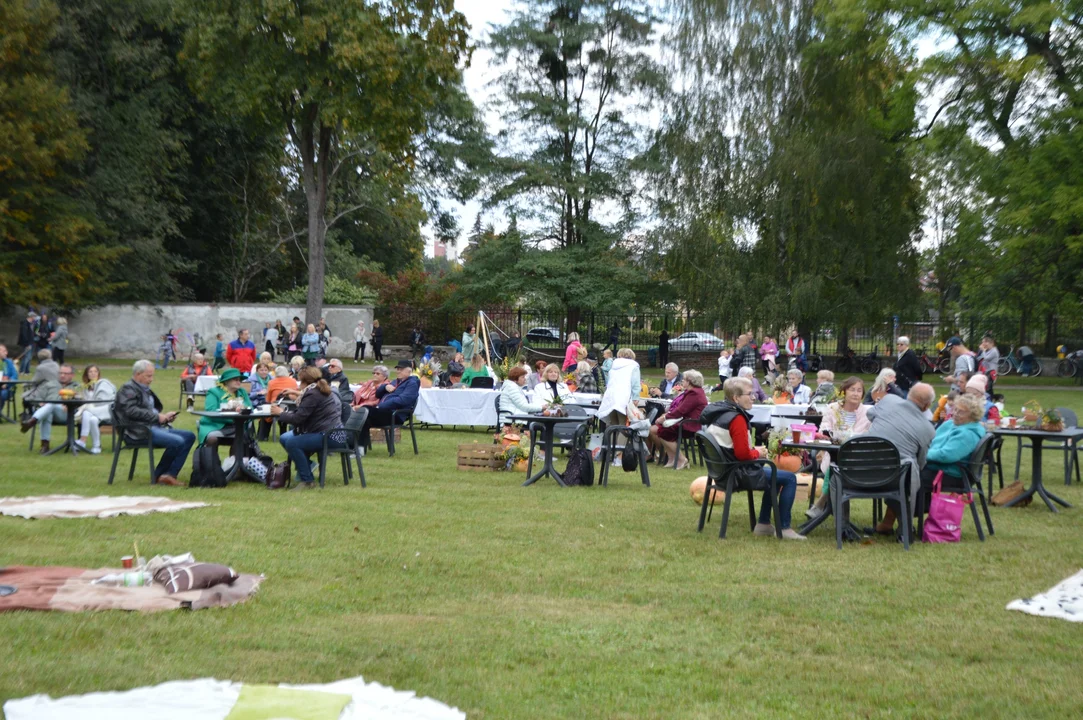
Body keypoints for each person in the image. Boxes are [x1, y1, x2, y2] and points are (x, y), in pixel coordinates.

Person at [704, 377, 806, 540]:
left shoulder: (719, 412)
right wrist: (758, 453)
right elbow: (743, 455)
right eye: (749, 394)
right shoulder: (736, 419)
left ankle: (764, 524)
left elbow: (732, 447)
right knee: (789, 478)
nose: (754, 397)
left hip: (721, 472)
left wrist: (753, 450)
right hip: (738, 474)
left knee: (774, 475)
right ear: (736, 398)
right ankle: (785, 527)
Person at [864, 383, 937, 536]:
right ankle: (905, 529)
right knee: (911, 473)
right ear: (927, 406)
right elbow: (921, 461)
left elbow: (870, 414)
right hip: (897, 479)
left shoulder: (889, 400)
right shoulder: (928, 429)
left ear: (908, 394)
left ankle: (843, 525)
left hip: (860, 473)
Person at [114, 360, 193, 486]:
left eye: (152, 375)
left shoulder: (144, 389)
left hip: (152, 426)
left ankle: (169, 475)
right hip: (137, 431)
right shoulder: (128, 389)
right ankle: (158, 475)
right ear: (138, 374)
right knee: (177, 441)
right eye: (148, 376)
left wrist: (165, 417)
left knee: (189, 436)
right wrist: (156, 417)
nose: (151, 379)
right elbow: (130, 411)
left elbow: (149, 410)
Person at [268, 366, 346, 491]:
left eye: (300, 381)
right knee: (284, 438)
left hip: (330, 435)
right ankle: (307, 465)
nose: (299, 383)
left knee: (293, 443)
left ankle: (307, 480)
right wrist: (295, 394)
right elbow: (303, 411)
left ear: (305, 382)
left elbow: (298, 419)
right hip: (326, 431)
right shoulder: (317, 389)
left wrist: (280, 413)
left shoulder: (313, 394)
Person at [806, 376, 871, 519]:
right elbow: (824, 431)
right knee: (836, 464)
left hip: (857, 458)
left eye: (859, 391)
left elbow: (866, 436)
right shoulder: (832, 408)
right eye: (852, 390)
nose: (855, 393)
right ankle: (841, 520)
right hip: (833, 454)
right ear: (844, 392)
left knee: (838, 466)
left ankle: (821, 503)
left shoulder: (867, 413)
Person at [648, 370, 708, 470]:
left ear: (690, 382)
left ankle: (681, 459)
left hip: (691, 424)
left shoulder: (694, 393)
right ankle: (672, 458)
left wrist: (664, 417)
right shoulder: (693, 392)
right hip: (685, 421)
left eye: (684, 380)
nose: (682, 382)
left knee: (662, 430)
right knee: (657, 429)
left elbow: (681, 410)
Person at [21, 363, 80, 454]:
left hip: (67, 414)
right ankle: (45, 445)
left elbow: (81, 401)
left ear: (72, 375)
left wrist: (71, 403)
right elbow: (35, 397)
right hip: (48, 412)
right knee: (48, 411)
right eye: (60, 373)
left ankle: (32, 421)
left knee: (51, 404)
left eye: (66, 373)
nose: (62, 375)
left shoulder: (76, 387)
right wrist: (40, 402)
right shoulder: (49, 384)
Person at [197, 367, 252, 448]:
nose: (238, 382)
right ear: (226, 381)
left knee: (243, 437)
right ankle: (211, 460)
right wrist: (233, 413)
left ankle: (235, 460)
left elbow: (251, 408)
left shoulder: (242, 392)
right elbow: (211, 411)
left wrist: (244, 408)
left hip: (237, 426)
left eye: (239, 379)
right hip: (215, 425)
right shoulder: (214, 392)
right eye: (235, 379)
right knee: (212, 439)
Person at [363, 360, 420, 435]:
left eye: (401, 369)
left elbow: (402, 401)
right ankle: (358, 445)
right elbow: (378, 394)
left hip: (395, 415)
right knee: (364, 412)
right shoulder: (395, 381)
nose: (398, 371)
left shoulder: (412, 384)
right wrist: (385, 387)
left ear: (409, 371)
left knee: (365, 413)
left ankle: (357, 444)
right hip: (385, 412)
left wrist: (379, 407)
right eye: (397, 369)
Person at [74, 364, 116, 455]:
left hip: (104, 411)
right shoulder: (84, 387)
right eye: (90, 372)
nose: (93, 374)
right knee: (93, 420)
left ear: (98, 373)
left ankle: (82, 440)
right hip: (93, 414)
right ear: (87, 374)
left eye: (95, 371)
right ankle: (96, 446)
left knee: (86, 412)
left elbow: (104, 400)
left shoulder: (103, 384)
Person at [597, 348, 642, 425]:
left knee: (612, 425)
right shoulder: (633, 366)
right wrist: (635, 398)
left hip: (610, 397)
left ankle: (610, 437)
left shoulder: (614, 365)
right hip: (624, 397)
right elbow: (635, 384)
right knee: (623, 426)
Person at [21, 348, 59, 415]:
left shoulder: (41, 368)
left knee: (26, 399)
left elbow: (35, 381)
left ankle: (32, 414)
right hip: (56, 390)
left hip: (45, 391)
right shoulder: (56, 365)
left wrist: (25, 384)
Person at [324, 358, 354, 423]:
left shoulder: (342, 378)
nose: (330, 368)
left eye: (332, 366)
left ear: (339, 369)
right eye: (329, 366)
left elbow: (342, 391)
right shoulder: (327, 376)